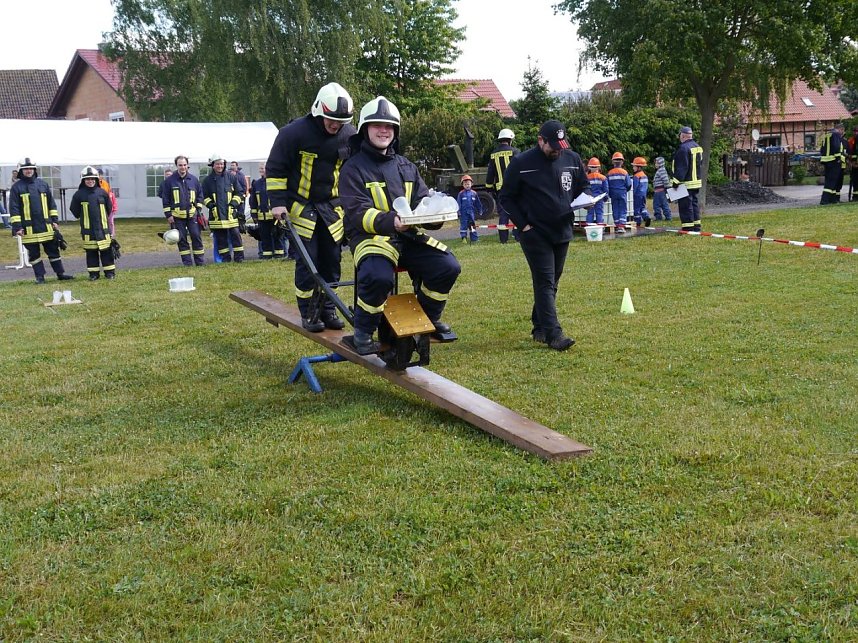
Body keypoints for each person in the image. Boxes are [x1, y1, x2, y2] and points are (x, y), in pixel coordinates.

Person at [339, 96, 461, 355]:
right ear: (364, 130)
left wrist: (436, 215)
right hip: (370, 238)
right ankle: (362, 333)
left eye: (389, 126)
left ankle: (426, 319)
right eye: (377, 125)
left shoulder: (406, 166)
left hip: (408, 237)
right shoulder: (352, 168)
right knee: (377, 277)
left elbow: (422, 202)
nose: (384, 131)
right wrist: (390, 221)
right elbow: (357, 212)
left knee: (447, 267)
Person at [265, 82, 357, 331]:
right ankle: (309, 313)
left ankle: (328, 310)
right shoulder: (293, 133)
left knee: (331, 262)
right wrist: (277, 204)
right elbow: (275, 169)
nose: (335, 125)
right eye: (330, 120)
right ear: (319, 110)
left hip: (332, 210)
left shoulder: (350, 136)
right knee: (308, 263)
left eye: (340, 121)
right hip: (301, 208)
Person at [498, 120, 590, 351]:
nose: (557, 150)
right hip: (535, 233)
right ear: (541, 141)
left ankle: (539, 326)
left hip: (563, 230)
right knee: (545, 281)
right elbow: (506, 197)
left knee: (552, 281)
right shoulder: (521, 163)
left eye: (561, 146)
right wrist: (524, 226)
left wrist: (587, 199)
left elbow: (583, 186)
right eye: (553, 146)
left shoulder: (572, 159)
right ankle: (554, 335)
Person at [9, 157, 74, 283]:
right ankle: (40, 277)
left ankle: (60, 274)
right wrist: (17, 227)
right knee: (34, 254)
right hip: (28, 228)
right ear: (21, 171)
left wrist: (55, 220)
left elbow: (51, 204)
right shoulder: (17, 187)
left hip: (46, 226)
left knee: (54, 251)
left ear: (34, 170)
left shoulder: (43, 184)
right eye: (25, 169)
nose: (28, 171)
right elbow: (14, 208)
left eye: (30, 168)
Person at [70, 165, 116, 280]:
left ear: (96, 180)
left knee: (106, 251)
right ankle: (93, 274)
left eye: (92, 179)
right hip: (88, 230)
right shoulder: (78, 195)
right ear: (83, 180)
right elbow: (74, 211)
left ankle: (110, 273)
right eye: (87, 179)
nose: (90, 181)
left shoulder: (102, 193)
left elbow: (109, 208)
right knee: (91, 253)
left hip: (103, 228)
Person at [162, 155, 205, 266]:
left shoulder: (194, 180)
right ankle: (187, 263)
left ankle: (200, 262)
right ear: (176, 166)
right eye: (180, 165)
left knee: (196, 236)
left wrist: (199, 208)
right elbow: (165, 199)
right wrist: (168, 215)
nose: (183, 167)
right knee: (181, 240)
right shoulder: (169, 181)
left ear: (187, 165)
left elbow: (200, 195)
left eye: (185, 165)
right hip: (177, 217)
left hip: (192, 215)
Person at [203, 154, 246, 262]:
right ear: (213, 165)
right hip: (217, 215)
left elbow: (239, 192)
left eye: (221, 164)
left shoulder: (231, 177)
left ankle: (239, 258)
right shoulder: (208, 180)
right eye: (217, 164)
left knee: (236, 236)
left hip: (231, 214)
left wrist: (233, 205)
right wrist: (211, 206)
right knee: (221, 239)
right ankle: (225, 259)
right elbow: (204, 196)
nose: (220, 166)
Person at [485, 128, 519, 243]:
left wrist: (489, 187)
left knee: (503, 213)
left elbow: (490, 173)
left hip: (500, 189)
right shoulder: (515, 151)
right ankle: (518, 236)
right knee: (517, 211)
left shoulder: (493, 154)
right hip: (515, 188)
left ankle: (503, 239)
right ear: (510, 140)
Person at [249, 162, 285, 259]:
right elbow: (253, 201)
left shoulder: (274, 182)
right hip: (262, 216)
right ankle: (266, 255)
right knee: (265, 237)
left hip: (275, 216)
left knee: (277, 235)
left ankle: (279, 254)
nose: (261, 170)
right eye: (260, 168)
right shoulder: (256, 184)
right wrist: (254, 215)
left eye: (263, 168)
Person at [672, 126, 703, 230]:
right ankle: (696, 225)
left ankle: (687, 228)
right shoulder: (698, 147)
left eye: (680, 135)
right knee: (694, 204)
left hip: (686, 183)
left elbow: (682, 167)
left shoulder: (683, 149)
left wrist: (675, 182)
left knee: (685, 206)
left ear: (683, 135)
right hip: (696, 182)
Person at [819, 123, 846, 205]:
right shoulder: (836, 135)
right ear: (840, 129)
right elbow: (836, 147)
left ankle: (832, 199)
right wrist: (838, 158)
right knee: (831, 181)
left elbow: (822, 149)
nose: (842, 133)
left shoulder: (827, 135)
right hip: (834, 161)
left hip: (826, 161)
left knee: (831, 180)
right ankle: (825, 200)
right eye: (842, 131)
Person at [607, 151, 631, 234]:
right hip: (622, 192)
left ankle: (617, 225)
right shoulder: (624, 172)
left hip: (613, 193)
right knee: (623, 208)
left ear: (613, 162)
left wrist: (609, 193)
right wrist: (625, 190)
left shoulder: (610, 173)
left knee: (615, 208)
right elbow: (628, 184)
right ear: (622, 162)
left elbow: (607, 185)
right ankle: (621, 226)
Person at [456, 174, 482, 243]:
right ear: (463, 185)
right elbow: (458, 203)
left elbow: (478, 203)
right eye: (465, 184)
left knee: (472, 226)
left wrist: (480, 210)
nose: (467, 185)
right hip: (463, 213)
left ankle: (474, 239)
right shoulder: (461, 194)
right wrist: (458, 212)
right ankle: (464, 238)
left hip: (471, 213)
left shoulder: (474, 193)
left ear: (471, 184)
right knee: (463, 226)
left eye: (468, 184)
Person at [631, 157, 652, 227]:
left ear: (639, 167)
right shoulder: (645, 176)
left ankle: (638, 222)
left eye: (634, 166)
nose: (633, 168)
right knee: (642, 207)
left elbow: (635, 187)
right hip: (643, 194)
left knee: (636, 209)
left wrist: (632, 195)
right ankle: (646, 217)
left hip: (637, 195)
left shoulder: (636, 176)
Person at [585, 157, 607, 226]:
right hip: (599, 198)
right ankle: (600, 228)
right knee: (599, 212)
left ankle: (589, 227)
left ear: (589, 167)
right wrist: (605, 198)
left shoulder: (586, 178)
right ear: (599, 167)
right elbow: (606, 189)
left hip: (590, 198)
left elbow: (585, 189)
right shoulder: (603, 177)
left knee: (590, 213)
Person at [97, 168, 119, 237]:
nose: (99, 176)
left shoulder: (105, 184)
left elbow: (110, 195)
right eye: (97, 175)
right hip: (98, 205)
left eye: (100, 175)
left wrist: (113, 207)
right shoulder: (94, 184)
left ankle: (110, 233)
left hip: (106, 205)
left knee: (109, 221)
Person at [651, 157, 672, 221]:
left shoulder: (661, 170)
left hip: (660, 191)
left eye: (656, 163)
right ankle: (663, 217)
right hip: (658, 191)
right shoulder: (660, 170)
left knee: (659, 205)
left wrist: (667, 187)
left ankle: (664, 217)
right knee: (661, 204)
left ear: (660, 164)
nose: (655, 164)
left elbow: (665, 180)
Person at [847, 126, 858, 201]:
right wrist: (850, 163)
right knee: (855, 180)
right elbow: (849, 153)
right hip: (854, 165)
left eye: (857, 131)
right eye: (854, 131)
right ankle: (855, 196)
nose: (855, 133)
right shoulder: (851, 141)